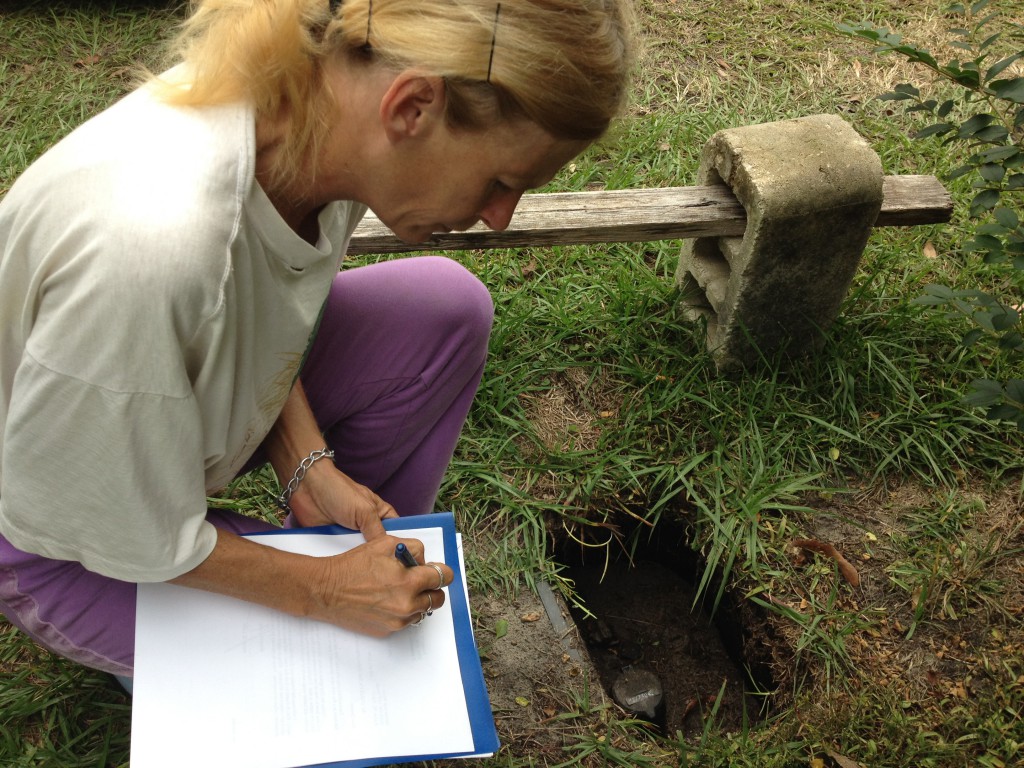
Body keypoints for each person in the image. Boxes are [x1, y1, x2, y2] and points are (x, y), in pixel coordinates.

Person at [0, 0, 633, 688]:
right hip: (60, 530)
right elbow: (107, 524)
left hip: (153, 427)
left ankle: (339, 558)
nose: (499, 218)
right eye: (501, 182)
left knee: (444, 313)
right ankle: (258, 645)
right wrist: (320, 592)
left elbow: (265, 312)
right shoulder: (152, 246)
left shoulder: (321, 119)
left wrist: (308, 465)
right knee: (316, 675)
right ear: (413, 106)